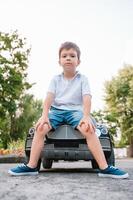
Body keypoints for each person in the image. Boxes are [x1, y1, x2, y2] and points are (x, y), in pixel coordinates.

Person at [8, 42, 128, 178]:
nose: (68, 58)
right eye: (64, 56)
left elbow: (87, 98)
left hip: (76, 112)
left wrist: (86, 116)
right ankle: (31, 166)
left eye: (72, 55)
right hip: (56, 111)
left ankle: (104, 168)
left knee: (88, 128)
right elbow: (48, 98)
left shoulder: (83, 79)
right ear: (59, 61)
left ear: (78, 61)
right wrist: (44, 116)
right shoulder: (55, 79)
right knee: (40, 127)